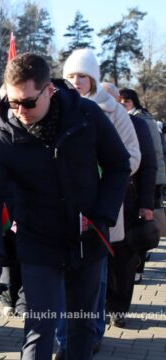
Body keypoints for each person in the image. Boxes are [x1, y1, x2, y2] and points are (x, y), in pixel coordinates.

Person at [0, 53, 131, 360]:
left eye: (29, 102)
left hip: (88, 236)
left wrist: (103, 216)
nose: (20, 111)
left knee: (81, 327)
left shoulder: (86, 115)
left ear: (50, 90)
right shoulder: (3, 134)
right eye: (14, 102)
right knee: (39, 328)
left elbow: (119, 165)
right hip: (38, 242)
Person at [58, 48, 141, 356]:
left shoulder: (112, 110)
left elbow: (131, 157)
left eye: (82, 75)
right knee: (69, 276)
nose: (76, 81)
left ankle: (93, 332)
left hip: (101, 205)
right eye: (70, 76)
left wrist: (95, 170)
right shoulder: (59, 108)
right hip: (65, 207)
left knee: (98, 272)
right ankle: (68, 338)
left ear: (93, 78)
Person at [102, 82, 157, 328]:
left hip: (129, 201)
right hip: (97, 203)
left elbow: (148, 167)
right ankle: (99, 306)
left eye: (117, 101)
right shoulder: (90, 123)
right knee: (98, 258)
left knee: (123, 258)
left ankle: (119, 307)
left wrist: (147, 204)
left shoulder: (137, 125)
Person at [119, 87, 166, 284]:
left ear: (134, 102)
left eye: (126, 102)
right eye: (119, 102)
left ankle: (138, 266)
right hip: (138, 181)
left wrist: (153, 185)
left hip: (147, 180)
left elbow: (152, 155)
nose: (122, 106)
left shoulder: (142, 121)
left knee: (143, 225)